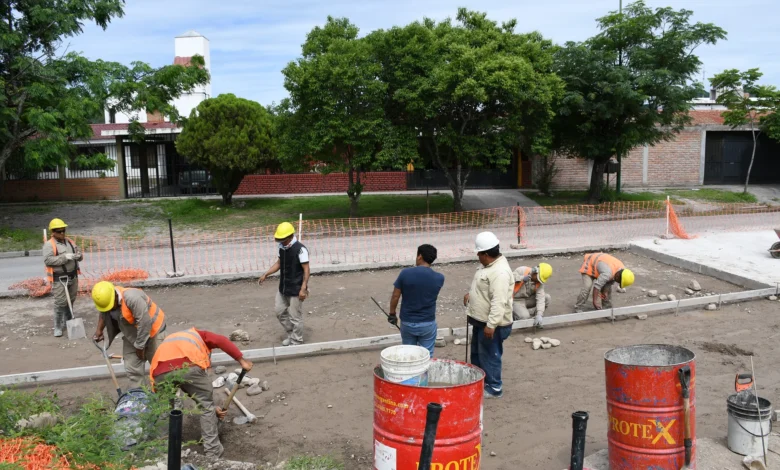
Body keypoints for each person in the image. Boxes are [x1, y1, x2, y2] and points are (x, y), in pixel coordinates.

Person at [150, 327, 253, 459]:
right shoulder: (200, 335)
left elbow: (186, 385)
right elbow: (221, 340)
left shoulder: (173, 340)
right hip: (189, 367)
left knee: (165, 410)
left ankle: (162, 450)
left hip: (159, 373)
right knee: (206, 408)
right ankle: (213, 452)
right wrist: (242, 361)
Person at [463, 231, 514, 399]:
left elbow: (499, 302)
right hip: (481, 321)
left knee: (490, 355)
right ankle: (479, 382)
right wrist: (472, 295)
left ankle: (494, 387)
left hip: (494, 325)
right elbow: (485, 289)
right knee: (477, 353)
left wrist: (491, 325)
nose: (477, 255)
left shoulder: (500, 272)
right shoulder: (487, 266)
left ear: (486, 254)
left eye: (479, 252)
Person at [91, 281, 168, 388]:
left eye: (109, 306)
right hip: (133, 333)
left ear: (114, 296)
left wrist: (140, 347)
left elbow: (145, 323)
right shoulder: (107, 301)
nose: (108, 309)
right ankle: (139, 398)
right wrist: (99, 330)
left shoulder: (132, 298)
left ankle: (172, 402)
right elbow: (104, 312)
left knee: (161, 370)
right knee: (132, 368)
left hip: (154, 332)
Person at [258, 222, 310, 346]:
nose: (281, 241)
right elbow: (279, 263)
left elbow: (306, 270)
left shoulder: (301, 250)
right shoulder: (281, 247)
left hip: (296, 288)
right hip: (284, 287)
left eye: (283, 239)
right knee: (279, 311)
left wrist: (303, 289)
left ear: (290, 236)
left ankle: (297, 340)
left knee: (295, 316)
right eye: (279, 239)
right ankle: (291, 334)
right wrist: (266, 274)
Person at [388, 244, 445, 356]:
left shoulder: (405, 274)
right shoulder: (439, 278)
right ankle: (425, 373)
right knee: (427, 356)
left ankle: (411, 373)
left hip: (408, 322)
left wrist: (392, 314)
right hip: (428, 323)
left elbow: (395, 296)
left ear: (419, 256)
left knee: (409, 355)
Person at [43, 218, 83, 337]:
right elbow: (48, 260)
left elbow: (79, 255)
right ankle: (58, 326)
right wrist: (65, 257)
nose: (62, 233)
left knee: (71, 299)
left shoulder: (70, 242)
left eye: (63, 231)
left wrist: (78, 256)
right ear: (53, 232)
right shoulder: (49, 245)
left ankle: (69, 319)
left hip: (73, 276)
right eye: (59, 231)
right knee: (60, 302)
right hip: (60, 278)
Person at [512, 263, 553, 327]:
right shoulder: (522, 270)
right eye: (538, 278)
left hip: (527, 299)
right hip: (515, 300)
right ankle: (513, 314)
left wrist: (539, 314)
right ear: (535, 271)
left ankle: (536, 319)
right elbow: (508, 278)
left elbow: (541, 298)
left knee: (547, 298)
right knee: (524, 317)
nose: (538, 281)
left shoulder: (539, 282)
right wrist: (521, 278)